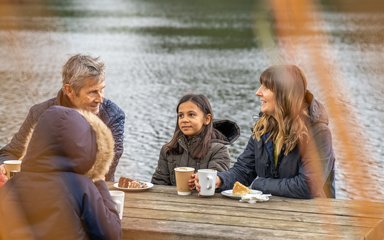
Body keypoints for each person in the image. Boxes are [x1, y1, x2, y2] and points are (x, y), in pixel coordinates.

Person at [195, 65, 335, 199]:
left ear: (284, 94)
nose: (258, 92)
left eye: (266, 87)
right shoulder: (262, 127)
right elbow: (244, 170)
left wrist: (259, 184)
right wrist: (219, 180)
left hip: (312, 216)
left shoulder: (319, 132)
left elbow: (308, 186)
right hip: (271, 212)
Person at [0, 106, 121, 239]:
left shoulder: (12, 185)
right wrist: (99, 181)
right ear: (84, 145)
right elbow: (111, 235)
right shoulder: (81, 186)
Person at [0, 54, 125, 181]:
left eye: (102, 90)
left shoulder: (113, 116)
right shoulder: (39, 113)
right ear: (69, 90)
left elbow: (105, 170)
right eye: (92, 92)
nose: (100, 99)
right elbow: (9, 153)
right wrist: (4, 166)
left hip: (94, 194)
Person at [151, 94, 240, 186]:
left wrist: (201, 182)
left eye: (191, 115)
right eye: (181, 115)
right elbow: (158, 184)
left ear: (207, 119)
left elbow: (217, 182)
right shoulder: (167, 150)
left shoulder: (219, 150)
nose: (184, 120)